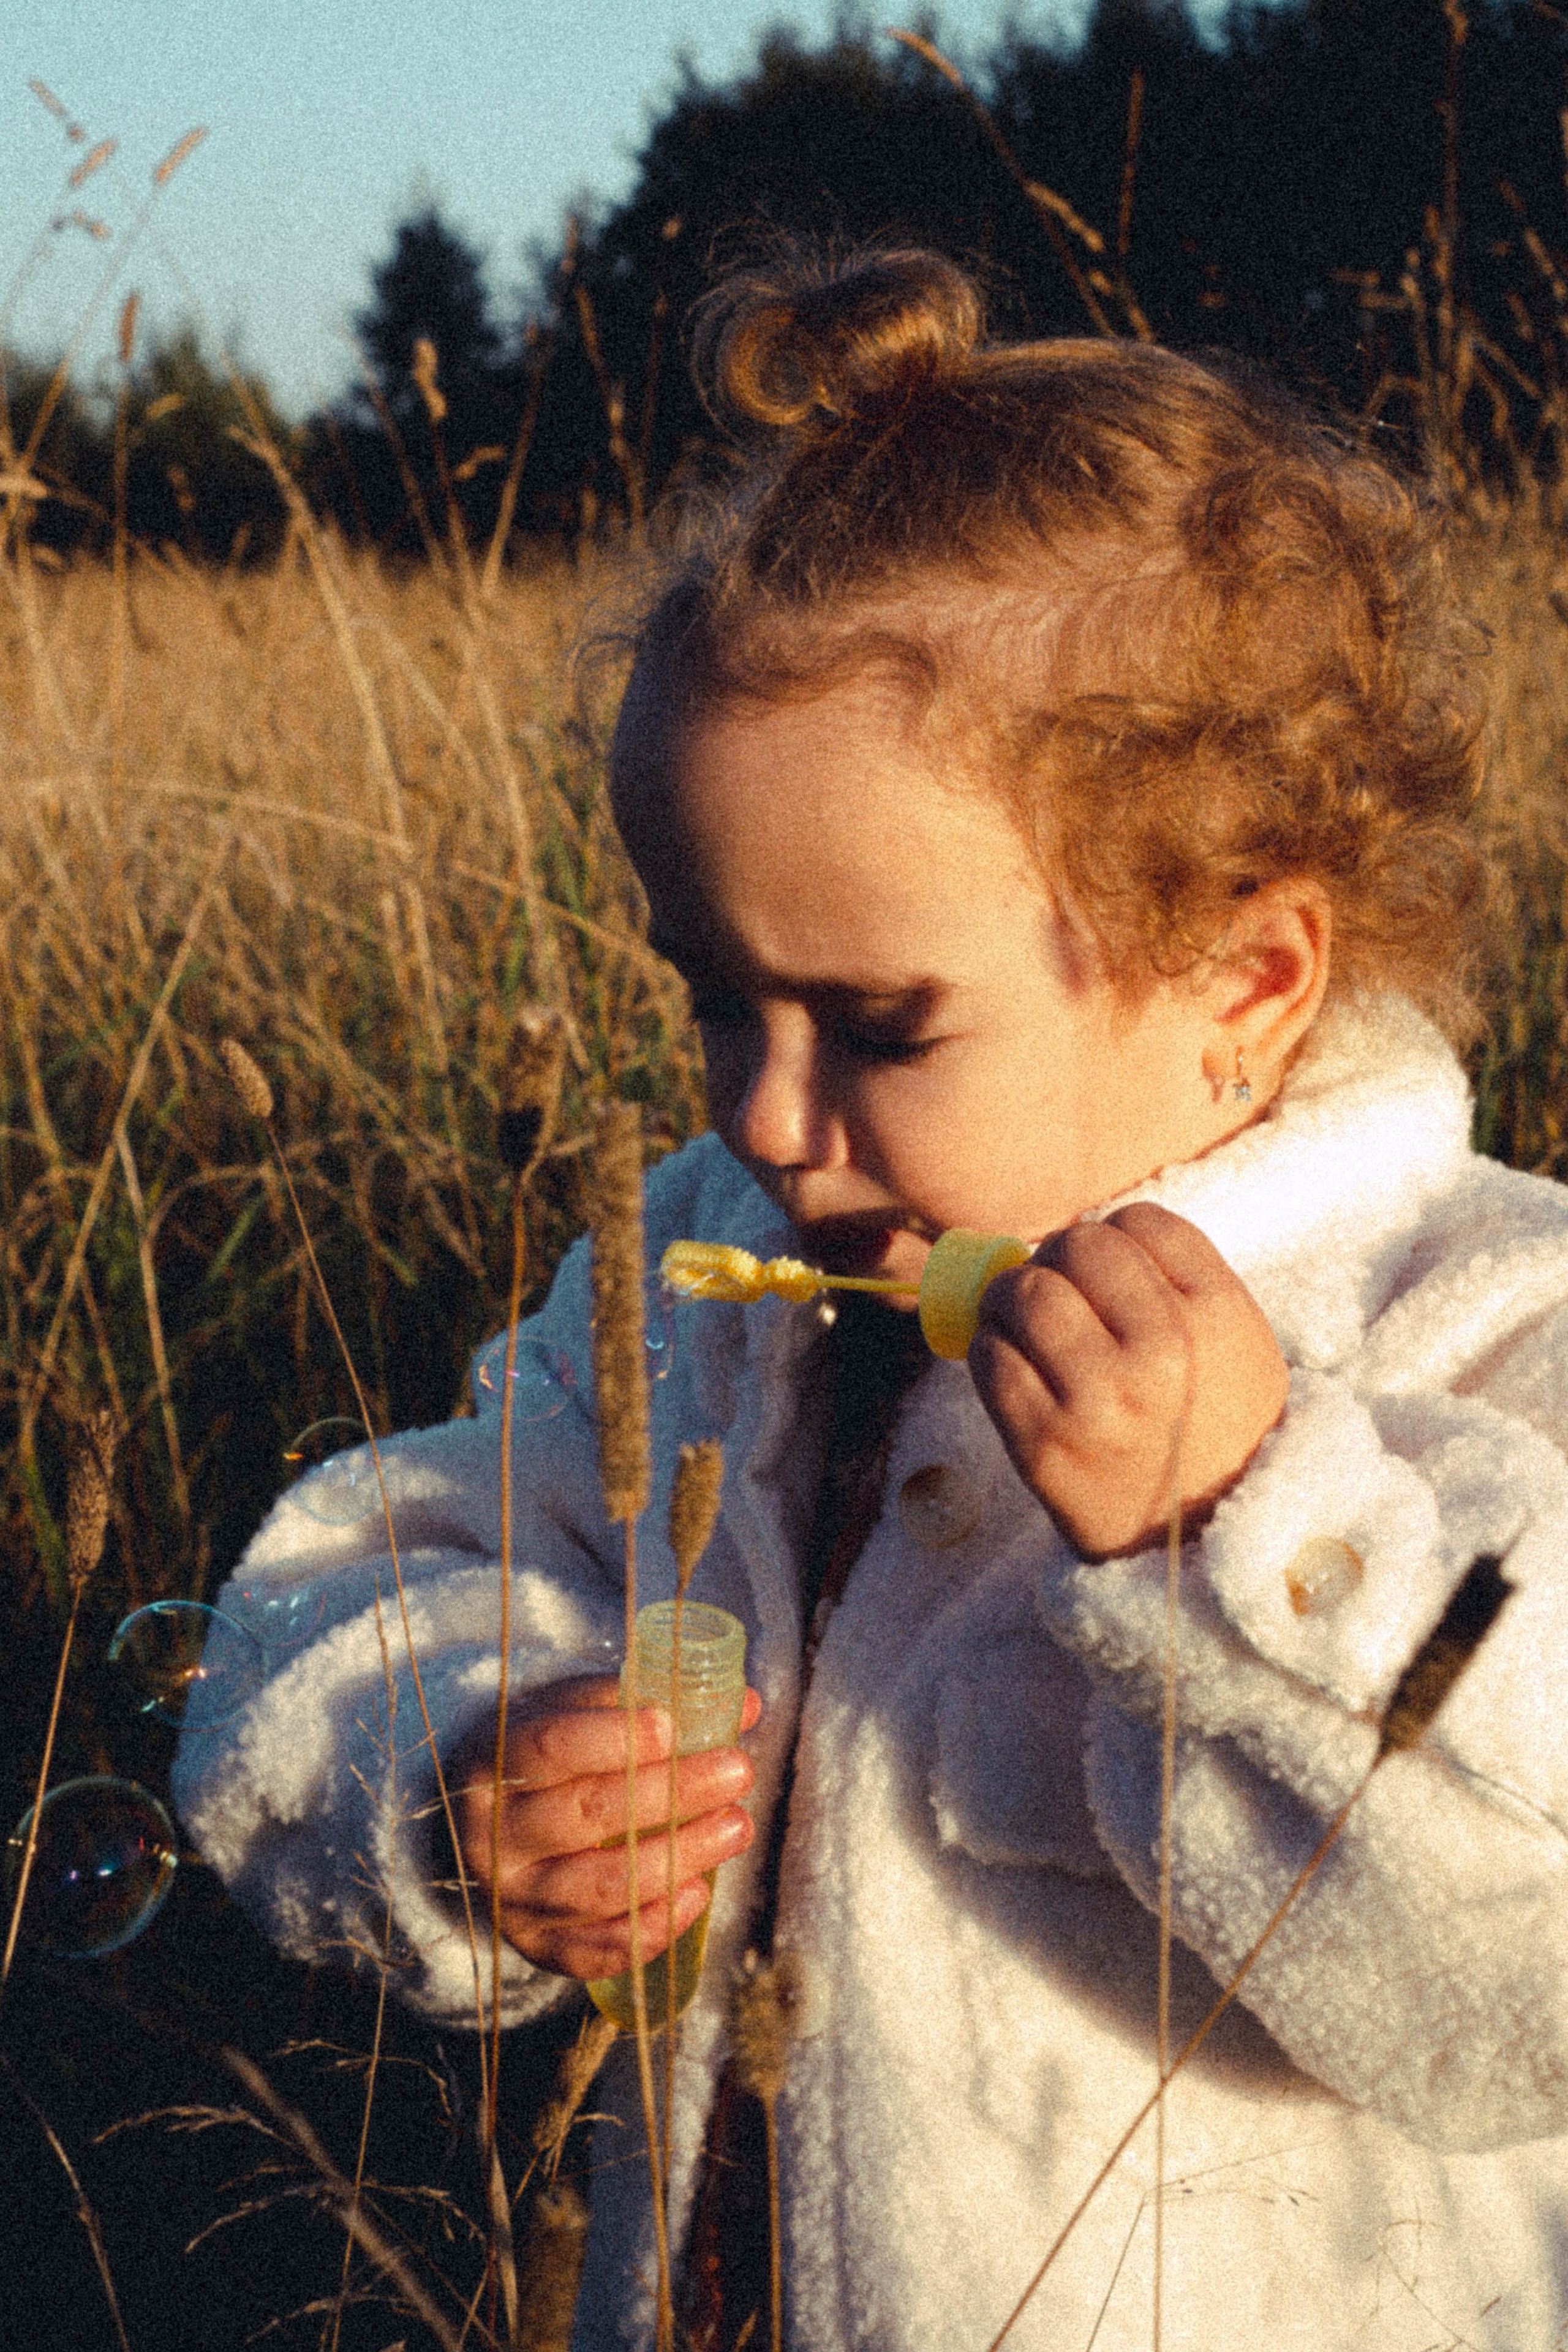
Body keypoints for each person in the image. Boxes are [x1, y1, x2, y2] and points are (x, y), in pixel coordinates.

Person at [175, 250, 1568, 2351]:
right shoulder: (702, 1286)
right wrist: (465, 1773)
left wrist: (1251, 1528)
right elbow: (360, 1570)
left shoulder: (1473, 1321)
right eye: (719, 998)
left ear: (1244, 983)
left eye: (881, 1026)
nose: (769, 1110)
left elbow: (1519, 2004)